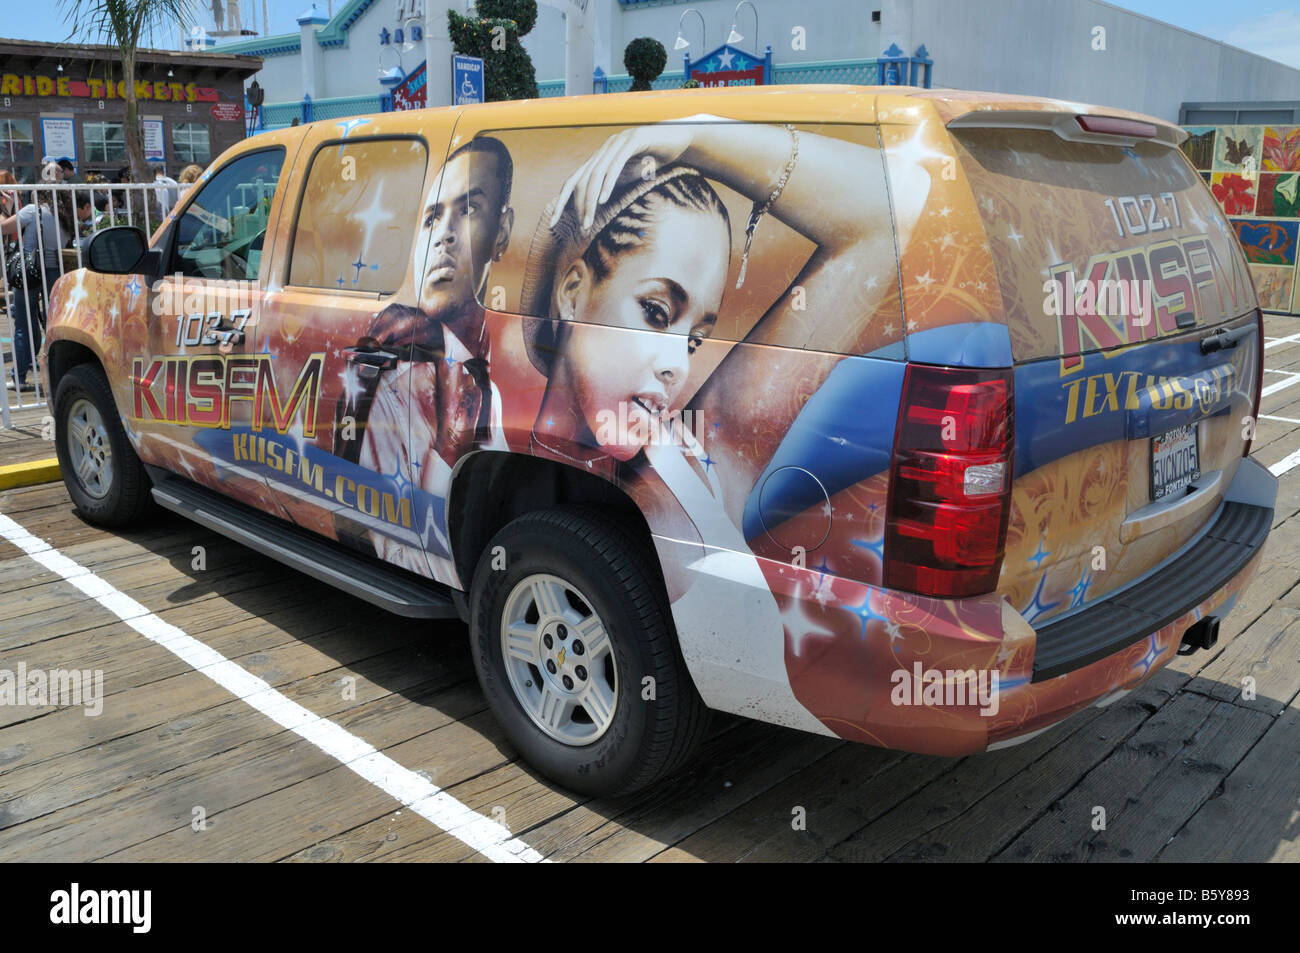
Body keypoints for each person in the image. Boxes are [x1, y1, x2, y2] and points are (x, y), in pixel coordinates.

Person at [333, 136, 514, 573]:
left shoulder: (491, 381)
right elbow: (395, 547)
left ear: (502, 232)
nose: (445, 236)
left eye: (468, 209)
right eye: (433, 216)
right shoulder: (394, 368)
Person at [1, 172, 64, 391]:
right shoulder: (65, 214)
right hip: (55, 271)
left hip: (29, 270)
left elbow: (4, 227)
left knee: (23, 323)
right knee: (52, 323)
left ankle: (19, 376)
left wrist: (2, 209)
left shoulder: (32, 210)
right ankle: (57, 373)